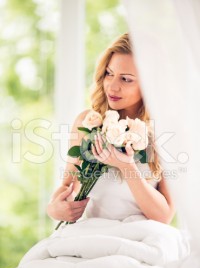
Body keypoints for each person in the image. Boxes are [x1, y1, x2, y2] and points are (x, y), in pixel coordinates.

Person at [47, 33, 175, 225]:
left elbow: (164, 216)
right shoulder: (88, 122)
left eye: (126, 79)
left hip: (140, 238)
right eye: (109, 73)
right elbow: (67, 185)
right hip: (91, 234)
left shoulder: (164, 132)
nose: (112, 87)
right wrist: (54, 209)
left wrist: (127, 166)